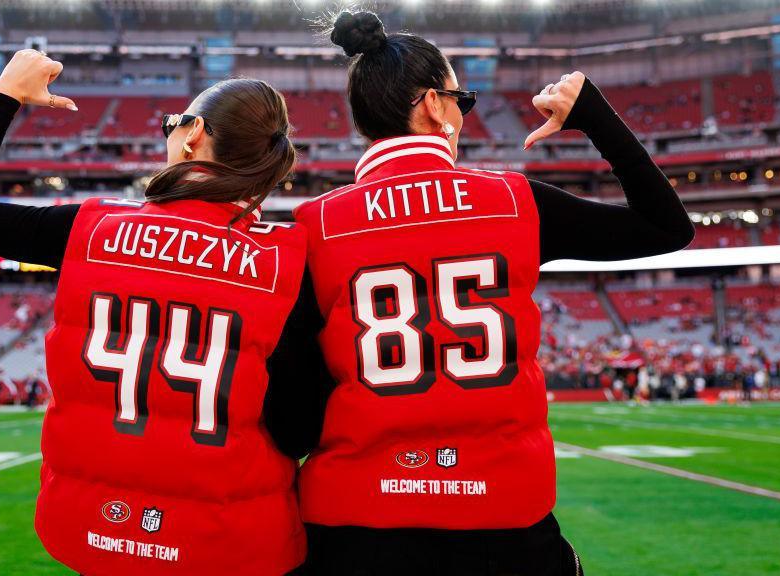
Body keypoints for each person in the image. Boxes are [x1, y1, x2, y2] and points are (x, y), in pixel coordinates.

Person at [292, 11, 695, 575]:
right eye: (465, 99)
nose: (464, 113)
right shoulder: (515, 202)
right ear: (435, 105)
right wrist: (594, 117)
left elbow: (292, 407)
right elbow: (667, 228)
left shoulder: (313, 226)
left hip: (355, 523)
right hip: (501, 521)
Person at [0, 49, 327, 575]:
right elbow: (298, 428)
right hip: (231, 539)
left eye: (173, 122)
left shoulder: (93, 229)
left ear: (194, 136)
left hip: (98, 529)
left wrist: (5, 94)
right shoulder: (285, 259)